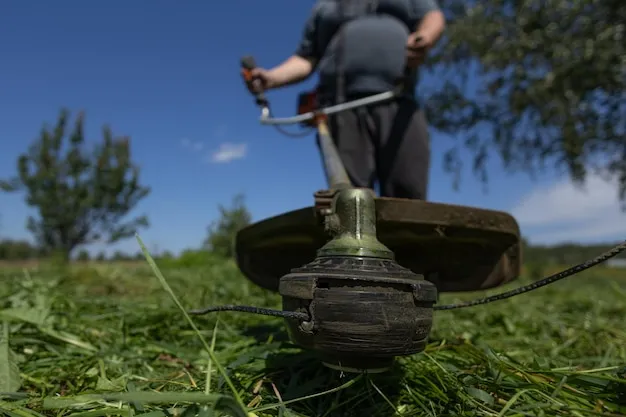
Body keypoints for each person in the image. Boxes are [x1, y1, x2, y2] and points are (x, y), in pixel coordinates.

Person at [247, 0, 446, 200]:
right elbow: (305, 58)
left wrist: (425, 36)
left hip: (399, 101)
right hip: (341, 108)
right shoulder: (324, 8)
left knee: (408, 193)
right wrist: (271, 78)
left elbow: (432, 16)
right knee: (351, 197)